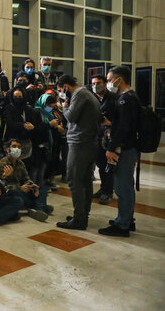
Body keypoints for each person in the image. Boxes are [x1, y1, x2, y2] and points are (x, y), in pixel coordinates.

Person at [99, 66, 141, 237]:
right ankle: (127, 219)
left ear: (119, 80)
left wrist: (111, 148)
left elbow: (123, 128)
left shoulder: (125, 99)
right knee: (127, 187)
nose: (109, 83)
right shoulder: (132, 96)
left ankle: (122, 225)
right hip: (131, 147)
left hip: (124, 149)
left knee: (122, 187)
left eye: (109, 80)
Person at [55, 74, 101, 230]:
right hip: (89, 142)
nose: (61, 93)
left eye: (61, 90)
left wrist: (64, 106)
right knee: (85, 181)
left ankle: (79, 219)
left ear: (66, 87)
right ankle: (82, 214)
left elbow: (71, 117)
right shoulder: (88, 93)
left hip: (80, 143)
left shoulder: (79, 94)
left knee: (74, 181)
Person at [0, 140, 52, 222]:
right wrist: (20, 188)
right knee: (18, 195)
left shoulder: (20, 163)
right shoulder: (1, 164)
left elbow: (26, 178)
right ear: (8, 149)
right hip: (10, 191)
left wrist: (32, 186)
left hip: (22, 190)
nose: (17, 149)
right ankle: (40, 207)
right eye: (14, 146)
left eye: (19, 147)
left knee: (42, 188)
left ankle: (38, 207)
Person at [91, 75, 117, 205]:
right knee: (100, 164)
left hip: (110, 136)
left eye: (99, 82)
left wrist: (110, 123)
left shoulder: (113, 98)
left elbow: (121, 119)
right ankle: (103, 188)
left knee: (108, 165)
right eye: (93, 83)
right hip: (97, 135)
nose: (96, 85)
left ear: (105, 83)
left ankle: (108, 191)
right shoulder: (92, 97)